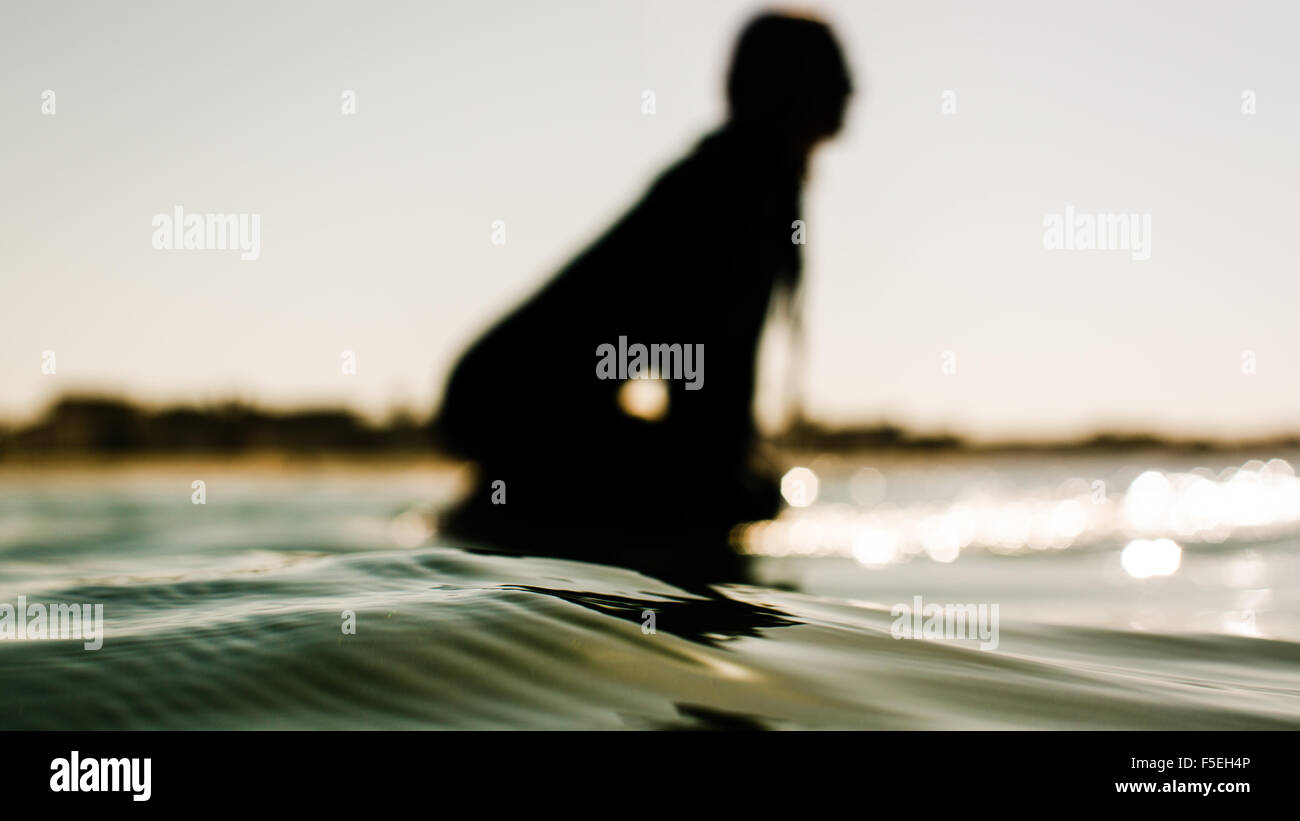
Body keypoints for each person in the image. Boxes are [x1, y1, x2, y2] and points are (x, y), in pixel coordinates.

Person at [434, 11, 853, 579]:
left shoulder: (740, 177)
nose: (853, 87)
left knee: (733, 489)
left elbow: (703, 379)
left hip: (500, 400)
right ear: (788, 85)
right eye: (834, 70)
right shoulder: (737, 186)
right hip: (502, 399)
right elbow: (712, 376)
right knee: (731, 494)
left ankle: (516, 512)